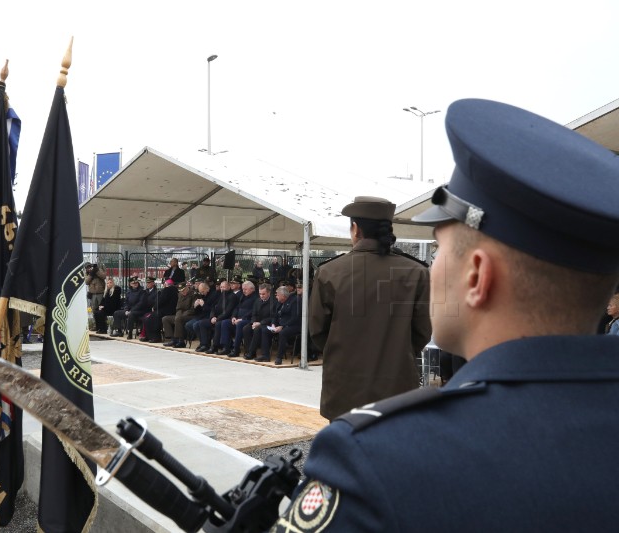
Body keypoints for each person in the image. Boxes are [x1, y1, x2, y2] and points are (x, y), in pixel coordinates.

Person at [275, 98, 619, 532]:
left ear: (476, 275)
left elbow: (316, 331)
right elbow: (420, 332)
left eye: (439, 250)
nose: (431, 267)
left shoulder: (376, 460)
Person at [309, 195, 431, 420]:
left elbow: (317, 331)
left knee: (346, 451)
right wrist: (395, 354)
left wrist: (344, 354)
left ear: (355, 229)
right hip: (398, 387)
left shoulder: (330, 272)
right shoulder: (416, 272)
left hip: (344, 386)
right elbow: (422, 332)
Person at [260, 286, 300, 365]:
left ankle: (279, 357)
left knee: (283, 333)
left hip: (293, 326)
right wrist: (273, 324)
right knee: (265, 330)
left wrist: (283, 326)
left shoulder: (294, 301)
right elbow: (275, 315)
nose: (276, 296)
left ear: (283, 296)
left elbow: (294, 318)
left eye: (277, 295)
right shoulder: (279, 302)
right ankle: (265, 355)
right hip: (280, 324)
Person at [218, 280, 256, 357]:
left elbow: (254, 311)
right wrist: (233, 317)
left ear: (252, 289)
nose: (243, 291)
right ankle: (226, 347)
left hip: (248, 320)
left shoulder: (256, 298)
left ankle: (236, 349)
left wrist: (242, 319)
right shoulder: (243, 296)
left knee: (240, 324)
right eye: (243, 289)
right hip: (238, 318)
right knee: (225, 322)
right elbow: (237, 308)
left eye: (245, 289)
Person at [242, 283, 277, 360]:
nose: (261, 296)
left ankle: (251, 352)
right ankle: (249, 352)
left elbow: (273, 317)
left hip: (266, 323)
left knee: (258, 329)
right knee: (246, 328)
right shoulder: (257, 301)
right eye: (260, 294)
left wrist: (260, 323)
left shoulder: (274, 302)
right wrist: (254, 322)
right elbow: (254, 314)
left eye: (263, 294)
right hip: (257, 322)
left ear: (269, 293)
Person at [162, 282, 198, 348]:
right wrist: (179, 314)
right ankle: (173, 339)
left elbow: (193, 309)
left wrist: (182, 315)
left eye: (183, 290)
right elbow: (178, 308)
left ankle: (181, 341)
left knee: (178, 319)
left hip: (190, 315)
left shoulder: (193, 294)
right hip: (180, 314)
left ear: (187, 287)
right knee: (165, 319)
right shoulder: (180, 295)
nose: (182, 292)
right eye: (181, 290)